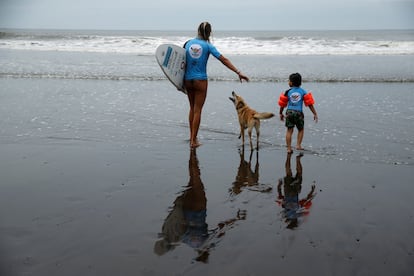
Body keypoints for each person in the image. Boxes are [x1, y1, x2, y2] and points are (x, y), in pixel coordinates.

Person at [184, 22, 249, 148]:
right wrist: (238, 72)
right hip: (200, 81)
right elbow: (223, 59)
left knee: (192, 108)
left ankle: (191, 136)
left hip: (187, 80)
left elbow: (180, 61)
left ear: (197, 30)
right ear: (209, 33)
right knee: (198, 110)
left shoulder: (188, 44)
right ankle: (193, 141)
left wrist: (178, 81)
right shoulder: (208, 46)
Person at [278, 73, 318, 153]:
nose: (288, 82)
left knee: (289, 130)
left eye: (289, 81)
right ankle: (298, 145)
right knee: (301, 129)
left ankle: (289, 148)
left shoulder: (287, 92)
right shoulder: (303, 91)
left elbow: (282, 104)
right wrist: (315, 113)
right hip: (299, 113)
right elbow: (310, 104)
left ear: (291, 83)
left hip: (289, 112)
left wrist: (280, 113)